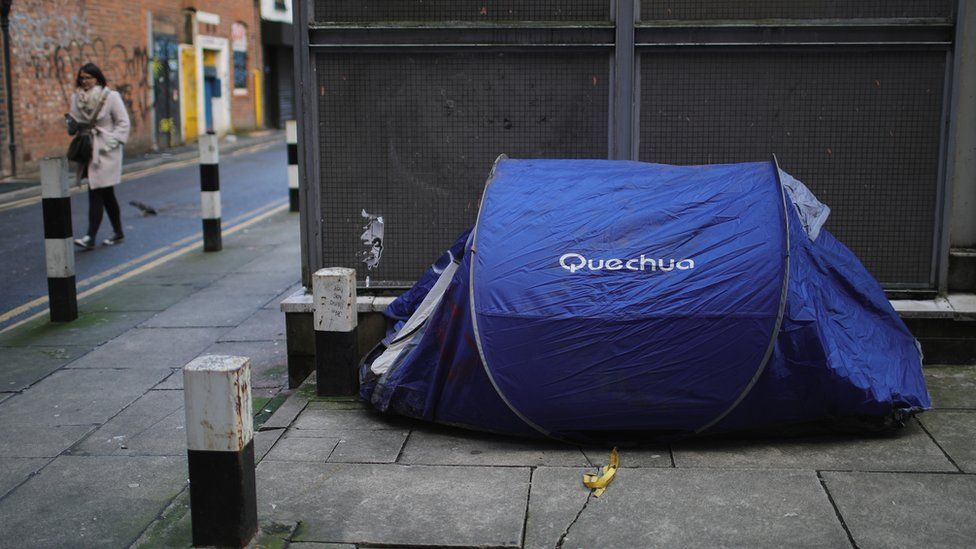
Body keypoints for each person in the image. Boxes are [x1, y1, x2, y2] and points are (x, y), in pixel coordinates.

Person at [67, 63, 130, 250]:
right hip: (88, 149)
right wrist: (70, 124)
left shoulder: (111, 97)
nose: (84, 81)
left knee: (95, 190)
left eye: (88, 77)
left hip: (107, 151)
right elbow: (74, 125)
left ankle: (90, 237)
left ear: (98, 78)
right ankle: (118, 232)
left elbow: (123, 122)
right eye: (82, 78)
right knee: (106, 193)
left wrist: (113, 142)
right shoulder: (76, 98)